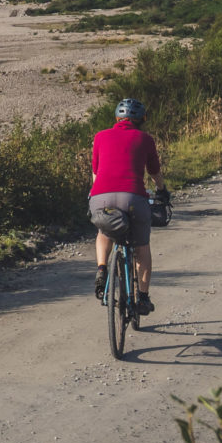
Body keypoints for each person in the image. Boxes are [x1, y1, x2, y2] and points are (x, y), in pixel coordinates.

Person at [89, 98, 167, 316]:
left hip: (100, 196)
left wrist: (100, 195)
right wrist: (162, 190)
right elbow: (154, 173)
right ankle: (142, 297)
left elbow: (96, 173)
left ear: (117, 118)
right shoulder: (145, 139)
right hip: (133, 199)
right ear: (142, 120)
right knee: (142, 247)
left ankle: (102, 268)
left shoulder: (100, 136)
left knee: (104, 230)